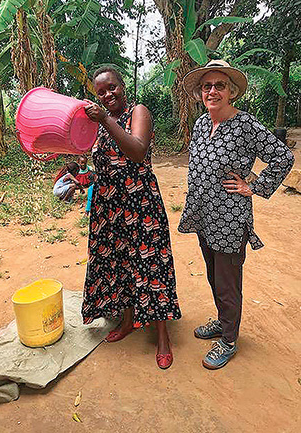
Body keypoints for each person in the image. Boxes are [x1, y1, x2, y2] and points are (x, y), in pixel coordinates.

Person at [178, 60, 295, 370]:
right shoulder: (202, 123)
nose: (213, 90)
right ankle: (222, 321)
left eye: (220, 85)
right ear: (201, 92)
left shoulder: (246, 125)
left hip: (230, 219)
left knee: (228, 281)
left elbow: (283, 157)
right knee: (214, 275)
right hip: (204, 216)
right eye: (207, 86)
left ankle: (229, 340)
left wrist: (253, 186)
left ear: (231, 92)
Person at [83, 66, 181, 369]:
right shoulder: (100, 125)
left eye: (112, 87)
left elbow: (137, 150)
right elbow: (103, 164)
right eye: (101, 92)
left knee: (152, 265)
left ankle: (162, 337)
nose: (108, 94)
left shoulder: (137, 111)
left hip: (140, 204)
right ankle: (127, 322)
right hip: (109, 208)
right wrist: (79, 177)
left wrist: (105, 118)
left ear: (122, 86)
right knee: (121, 264)